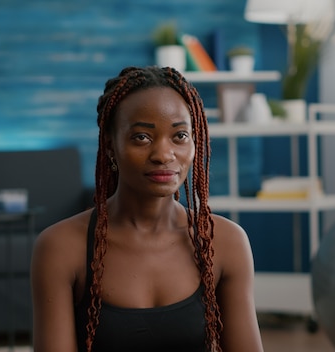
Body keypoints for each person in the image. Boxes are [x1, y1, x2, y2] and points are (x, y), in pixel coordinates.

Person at [31, 66, 264, 352]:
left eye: (180, 136)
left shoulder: (225, 243)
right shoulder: (60, 247)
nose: (164, 155)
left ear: (195, 142)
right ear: (109, 146)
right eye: (142, 137)